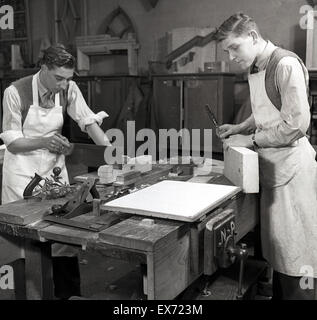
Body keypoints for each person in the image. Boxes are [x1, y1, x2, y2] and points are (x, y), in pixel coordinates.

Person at [215, 13, 317, 299]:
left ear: (253, 37)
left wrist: (249, 139)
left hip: (293, 171)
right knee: (279, 248)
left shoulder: (285, 64)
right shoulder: (254, 67)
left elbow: (296, 125)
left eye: (235, 47)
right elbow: (266, 111)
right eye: (227, 51)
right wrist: (240, 126)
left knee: (296, 251)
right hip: (272, 167)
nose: (232, 56)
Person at [0, 44, 111, 299]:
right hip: (22, 177)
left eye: (68, 78)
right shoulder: (15, 92)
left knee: (63, 238)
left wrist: (109, 152)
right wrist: (44, 141)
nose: (64, 84)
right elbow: (13, 141)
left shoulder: (68, 88)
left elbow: (88, 121)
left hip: (54, 175)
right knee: (26, 243)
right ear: (43, 69)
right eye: (58, 78)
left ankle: (68, 295)